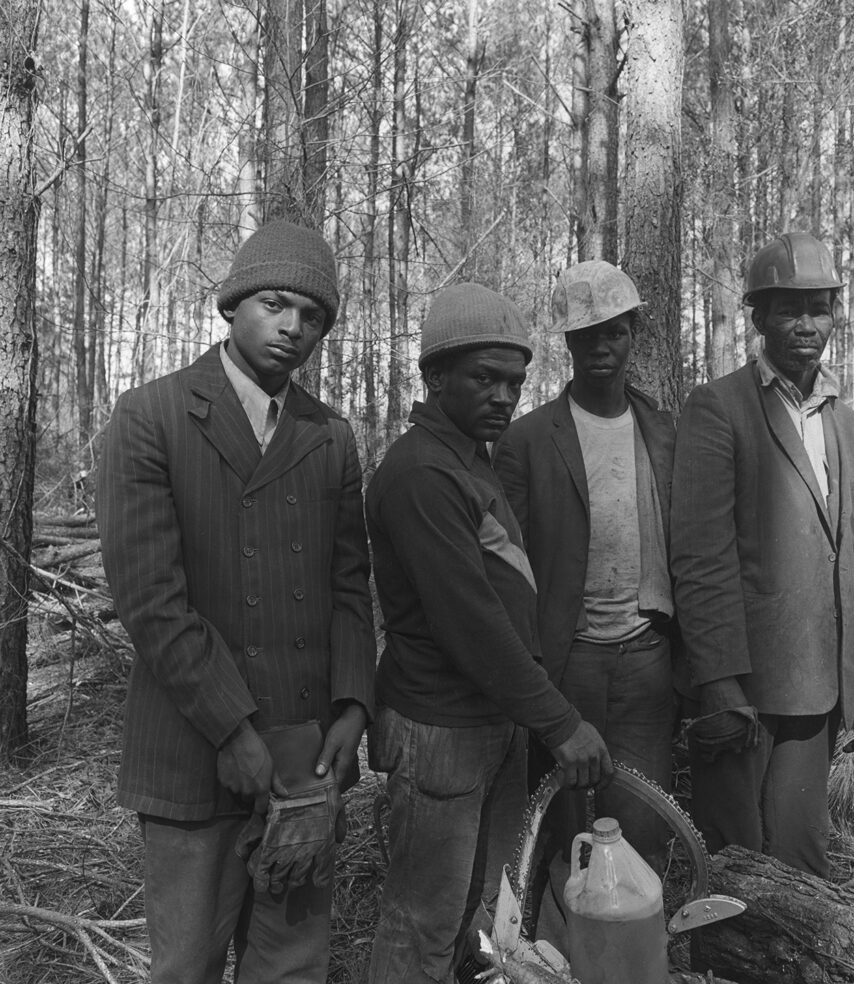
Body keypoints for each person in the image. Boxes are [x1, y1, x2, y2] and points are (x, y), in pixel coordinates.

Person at [97, 220, 377, 983]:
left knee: (291, 967)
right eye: (276, 304)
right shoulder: (150, 418)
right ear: (232, 306)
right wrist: (231, 728)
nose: (292, 327)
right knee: (186, 966)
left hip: (303, 760)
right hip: (191, 756)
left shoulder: (330, 437)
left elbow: (350, 586)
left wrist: (353, 706)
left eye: (312, 316)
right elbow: (152, 601)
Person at [365, 282, 612, 984]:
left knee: (474, 913)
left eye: (514, 381)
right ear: (435, 377)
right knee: (422, 920)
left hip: (488, 722)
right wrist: (559, 721)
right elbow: (470, 625)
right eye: (484, 378)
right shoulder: (421, 473)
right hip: (441, 728)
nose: (504, 396)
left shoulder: (470, 460)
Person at [671, 231, 854, 879]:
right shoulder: (718, 408)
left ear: (835, 314)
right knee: (734, 862)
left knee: (801, 860)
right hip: (740, 686)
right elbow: (700, 556)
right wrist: (717, 683)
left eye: (819, 308)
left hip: (820, 688)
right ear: (760, 317)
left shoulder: (851, 428)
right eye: (788, 309)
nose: (806, 324)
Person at [492, 260, 678, 877]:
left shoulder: (664, 432)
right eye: (586, 334)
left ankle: (633, 953)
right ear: (568, 343)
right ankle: (559, 961)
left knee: (642, 830)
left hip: (646, 658)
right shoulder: (526, 440)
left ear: (633, 337)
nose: (601, 345)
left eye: (614, 332)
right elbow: (506, 570)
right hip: (566, 659)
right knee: (562, 831)